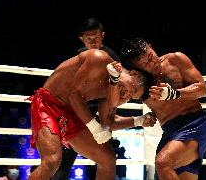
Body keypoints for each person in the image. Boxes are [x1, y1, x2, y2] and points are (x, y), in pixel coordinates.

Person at [28, 49, 155, 180]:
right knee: (52, 161)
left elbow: (108, 122)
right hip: (49, 104)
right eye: (132, 89)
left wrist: (139, 121)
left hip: (72, 113)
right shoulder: (99, 59)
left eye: (131, 97)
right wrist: (95, 128)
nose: (126, 95)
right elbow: (73, 94)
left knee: (107, 159)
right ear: (133, 73)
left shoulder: (116, 91)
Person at [119, 37, 206, 180]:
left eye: (150, 56)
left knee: (162, 163)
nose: (152, 63)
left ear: (151, 47)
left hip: (194, 124)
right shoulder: (141, 83)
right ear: (137, 69)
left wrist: (175, 94)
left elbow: (203, 89)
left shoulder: (175, 60)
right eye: (145, 64)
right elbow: (115, 100)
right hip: (170, 133)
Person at [51, 17, 121, 180]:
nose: (93, 41)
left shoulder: (111, 58)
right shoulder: (79, 56)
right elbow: (67, 90)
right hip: (74, 115)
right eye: (88, 38)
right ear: (82, 39)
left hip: (100, 115)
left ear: (102, 35)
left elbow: (114, 94)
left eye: (96, 37)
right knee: (63, 164)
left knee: (105, 161)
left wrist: (106, 121)